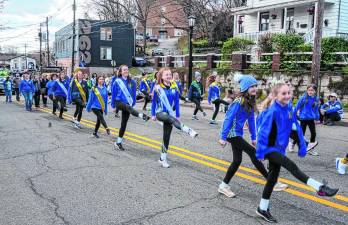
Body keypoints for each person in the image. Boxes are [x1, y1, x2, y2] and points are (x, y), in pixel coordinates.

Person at [255, 83, 339, 223]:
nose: (287, 95)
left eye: (289, 92)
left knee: (272, 179)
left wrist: (302, 144)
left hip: (280, 147)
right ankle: (319, 187)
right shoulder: (272, 111)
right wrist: (260, 153)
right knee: (291, 165)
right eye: (283, 93)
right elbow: (263, 133)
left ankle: (262, 208)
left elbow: (295, 126)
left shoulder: (288, 107)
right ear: (275, 96)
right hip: (269, 148)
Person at [218, 74, 287, 198]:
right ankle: (272, 182)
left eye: (255, 86)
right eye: (251, 86)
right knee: (253, 153)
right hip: (231, 133)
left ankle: (223, 186)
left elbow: (251, 121)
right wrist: (223, 137)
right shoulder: (238, 102)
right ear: (245, 88)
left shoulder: (250, 101)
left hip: (237, 133)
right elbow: (228, 118)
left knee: (237, 161)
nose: (255, 88)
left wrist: (254, 137)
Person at [151, 68, 198, 168]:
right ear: (162, 77)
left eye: (170, 74)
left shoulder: (174, 87)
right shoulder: (157, 88)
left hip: (170, 114)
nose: (169, 76)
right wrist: (153, 114)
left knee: (166, 137)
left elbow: (176, 102)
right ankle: (188, 130)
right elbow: (154, 102)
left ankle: (162, 158)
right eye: (166, 74)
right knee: (171, 120)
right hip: (160, 113)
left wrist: (178, 115)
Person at [111, 65, 150, 151]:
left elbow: (133, 94)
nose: (126, 71)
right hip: (119, 102)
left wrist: (133, 103)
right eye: (124, 70)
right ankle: (142, 116)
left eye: (127, 69)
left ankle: (118, 142)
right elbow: (113, 93)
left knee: (123, 124)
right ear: (121, 72)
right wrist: (113, 106)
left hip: (128, 104)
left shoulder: (132, 82)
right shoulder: (117, 81)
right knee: (127, 108)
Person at [292, 84, 320, 156]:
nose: (310, 92)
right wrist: (293, 115)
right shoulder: (303, 98)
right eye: (309, 90)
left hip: (311, 119)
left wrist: (317, 118)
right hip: (303, 119)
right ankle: (292, 144)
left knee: (313, 133)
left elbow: (316, 109)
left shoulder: (316, 99)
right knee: (301, 134)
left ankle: (311, 149)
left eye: (312, 90)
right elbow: (297, 106)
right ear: (307, 91)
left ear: (315, 91)